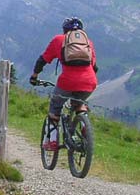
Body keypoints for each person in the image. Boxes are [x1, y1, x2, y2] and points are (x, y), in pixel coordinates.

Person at [30, 17, 98, 151]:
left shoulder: (58, 40)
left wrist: (34, 76)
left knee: (55, 108)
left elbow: (42, 60)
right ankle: (85, 129)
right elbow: (95, 67)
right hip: (89, 81)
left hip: (67, 81)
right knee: (79, 103)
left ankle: (53, 141)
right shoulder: (88, 43)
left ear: (64, 30)